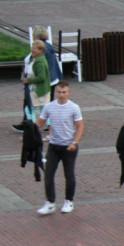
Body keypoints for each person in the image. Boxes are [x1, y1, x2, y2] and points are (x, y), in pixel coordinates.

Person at [35, 81, 84, 216]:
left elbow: (80, 126)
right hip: (54, 146)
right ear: (55, 92)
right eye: (59, 92)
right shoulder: (49, 107)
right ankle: (50, 202)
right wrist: (30, 130)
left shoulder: (74, 107)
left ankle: (69, 200)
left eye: (64, 92)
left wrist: (75, 142)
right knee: (48, 175)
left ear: (69, 93)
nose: (61, 95)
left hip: (69, 147)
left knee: (69, 175)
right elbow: (40, 122)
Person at [19, 39, 51, 131]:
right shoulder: (36, 58)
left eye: (35, 48)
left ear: (40, 50)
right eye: (32, 47)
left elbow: (41, 77)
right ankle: (45, 128)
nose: (32, 50)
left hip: (38, 90)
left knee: (30, 109)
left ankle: (33, 129)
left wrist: (28, 80)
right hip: (37, 89)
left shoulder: (39, 62)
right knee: (41, 110)